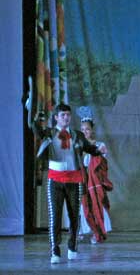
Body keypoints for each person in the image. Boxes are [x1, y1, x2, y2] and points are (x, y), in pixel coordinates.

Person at [31, 103, 106, 264]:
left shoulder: (77, 135)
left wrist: (99, 149)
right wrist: (33, 115)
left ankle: (72, 246)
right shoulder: (50, 133)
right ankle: (55, 251)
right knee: (55, 217)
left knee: (74, 217)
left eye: (68, 115)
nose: (66, 118)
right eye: (63, 115)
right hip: (55, 179)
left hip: (75, 179)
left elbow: (89, 148)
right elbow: (36, 129)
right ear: (56, 117)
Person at [77, 106, 113, 244]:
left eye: (87, 129)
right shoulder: (78, 144)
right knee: (81, 206)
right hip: (81, 178)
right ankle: (80, 231)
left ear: (92, 129)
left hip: (94, 179)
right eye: (83, 129)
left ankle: (97, 231)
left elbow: (101, 163)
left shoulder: (99, 145)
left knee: (96, 204)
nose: (85, 132)